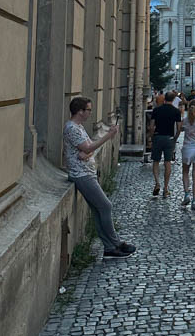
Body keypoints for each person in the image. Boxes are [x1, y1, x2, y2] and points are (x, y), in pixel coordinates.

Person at [63, 97, 136, 259]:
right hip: (81, 174)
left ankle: (109, 247)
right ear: (80, 111)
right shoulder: (71, 128)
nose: (90, 113)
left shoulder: (79, 127)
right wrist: (108, 135)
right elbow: (89, 147)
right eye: (88, 110)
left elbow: (89, 149)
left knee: (98, 209)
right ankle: (115, 243)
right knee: (106, 206)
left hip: (87, 171)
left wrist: (87, 152)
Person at [148, 91, 182, 197]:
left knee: (156, 161)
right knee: (167, 162)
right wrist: (175, 138)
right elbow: (179, 128)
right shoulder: (176, 111)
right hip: (169, 138)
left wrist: (152, 137)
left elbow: (151, 126)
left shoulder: (156, 110)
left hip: (158, 136)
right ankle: (166, 188)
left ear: (164, 99)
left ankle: (157, 183)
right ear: (173, 99)